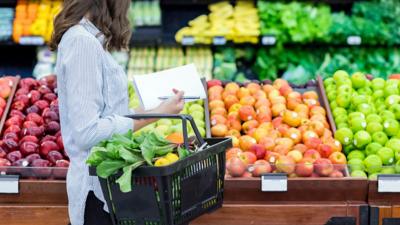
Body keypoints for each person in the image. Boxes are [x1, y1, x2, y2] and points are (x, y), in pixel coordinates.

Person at [50, 1, 185, 225]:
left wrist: (153, 110)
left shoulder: (89, 40)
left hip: (108, 187)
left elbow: (108, 114)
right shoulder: (82, 43)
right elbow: (87, 132)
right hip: (95, 192)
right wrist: (153, 116)